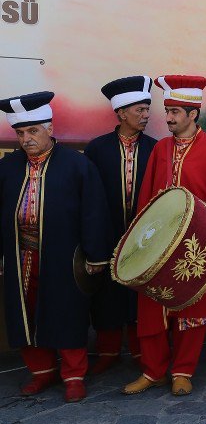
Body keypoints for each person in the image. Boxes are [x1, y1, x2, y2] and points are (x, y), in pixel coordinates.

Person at [122, 75, 206, 397]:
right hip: (159, 244)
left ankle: (182, 371)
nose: (168, 117)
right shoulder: (160, 148)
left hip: (194, 245)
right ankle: (153, 371)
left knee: (192, 311)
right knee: (151, 309)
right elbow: (146, 198)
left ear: (193, 114)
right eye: (167, 110)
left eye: (175, 111)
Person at [0, 92, 112, 403]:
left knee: (66, 312)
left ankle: (73, 375)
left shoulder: (77, 166)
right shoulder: (7, 168)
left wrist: (96, 255)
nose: (26, 139)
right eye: (21, 133)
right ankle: (41, 371)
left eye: (33, 131)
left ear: (49, 128)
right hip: (21, 254)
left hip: (64, 256)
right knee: (27, 313)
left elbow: (94, 212)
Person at [84, 76, 157, 374]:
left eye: (146, 110)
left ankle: (142, 352)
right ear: (121, 113)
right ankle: (108, 351)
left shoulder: (156, 148)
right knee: (107, 295)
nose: (145, 115)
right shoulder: (97, 149)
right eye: (139, 110)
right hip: (108, 233)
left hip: (145, 236)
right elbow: (89, 197)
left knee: (141, 293)